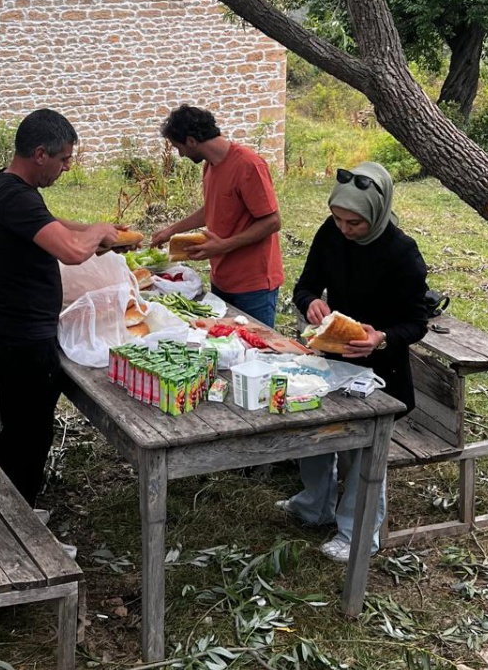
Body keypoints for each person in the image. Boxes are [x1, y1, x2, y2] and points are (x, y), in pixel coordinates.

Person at [277, 162, 431, 562]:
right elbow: (306, 284)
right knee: (312, 431)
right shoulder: (330, 234)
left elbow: (416, 322)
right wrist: (311, 302)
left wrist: (380, 339)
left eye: (355, 223)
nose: (345, 229)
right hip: (329, 357)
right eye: (338, 218)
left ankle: (357, 532)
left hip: (382, 371)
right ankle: (315, 504)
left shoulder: (402, 252)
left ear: (377, 213)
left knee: (362, 452)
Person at [0, 109, 121, 505]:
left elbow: (51, 222)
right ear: (41, 154)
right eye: (64, 160)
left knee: (19, 431)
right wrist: (95, 233)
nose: (67, 168)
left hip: (4, 331)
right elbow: (73, 252)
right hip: (22, 342)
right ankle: (14, 524)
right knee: (28, 438)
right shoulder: (15, 195)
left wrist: (100, 233)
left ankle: (3, 505)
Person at [150, 105, 284, 326]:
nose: (181, 155)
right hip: (222, 279)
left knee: (256, 351)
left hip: (253, 286)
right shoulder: (210, 166)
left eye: (179, 147)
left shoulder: (248, 165)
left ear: (192, 141)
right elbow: (212, 208)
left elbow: (272, 221)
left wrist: (223, 246)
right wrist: (171, 230)